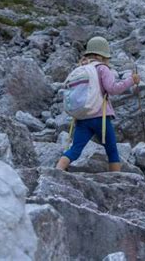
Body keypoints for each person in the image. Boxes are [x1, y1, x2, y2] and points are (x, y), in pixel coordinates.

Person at [56, 36, 140, 172]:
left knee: (75, 149)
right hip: (100, 117)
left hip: (81, 117)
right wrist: (131, 80)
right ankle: (117, 179)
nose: (108, 60)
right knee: (112, 150)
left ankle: (57, 171)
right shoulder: (102, 68)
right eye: (107, 57)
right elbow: (113, 89)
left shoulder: (81, 68)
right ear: (101, 56)